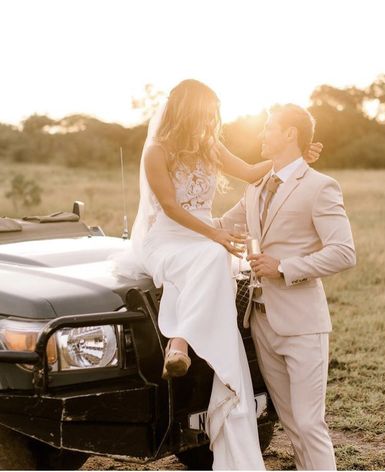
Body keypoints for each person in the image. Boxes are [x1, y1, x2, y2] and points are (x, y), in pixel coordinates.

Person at [112, 80, 322, 470]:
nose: (213, 119)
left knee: (208, 262)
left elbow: (249, 171)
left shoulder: (209, 146)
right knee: (211, 257)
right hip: (170, 238)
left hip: (203, 241)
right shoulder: (157, 152)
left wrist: (294, 159)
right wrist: (216, 235)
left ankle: (179, 345)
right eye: (208, 112)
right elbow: (171, 208)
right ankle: (181, 345)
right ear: (188, 110)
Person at [214, 103, 356, 470]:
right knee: (291, 424)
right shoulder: (256, 187)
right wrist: (172, 222)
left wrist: (285, 267)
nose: (262, 134)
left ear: (290, 133)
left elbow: (344, 252)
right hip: (260, 321)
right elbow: (221, 226)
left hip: (302, 322)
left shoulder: (320, 186)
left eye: (269, 128)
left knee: (310, 423)